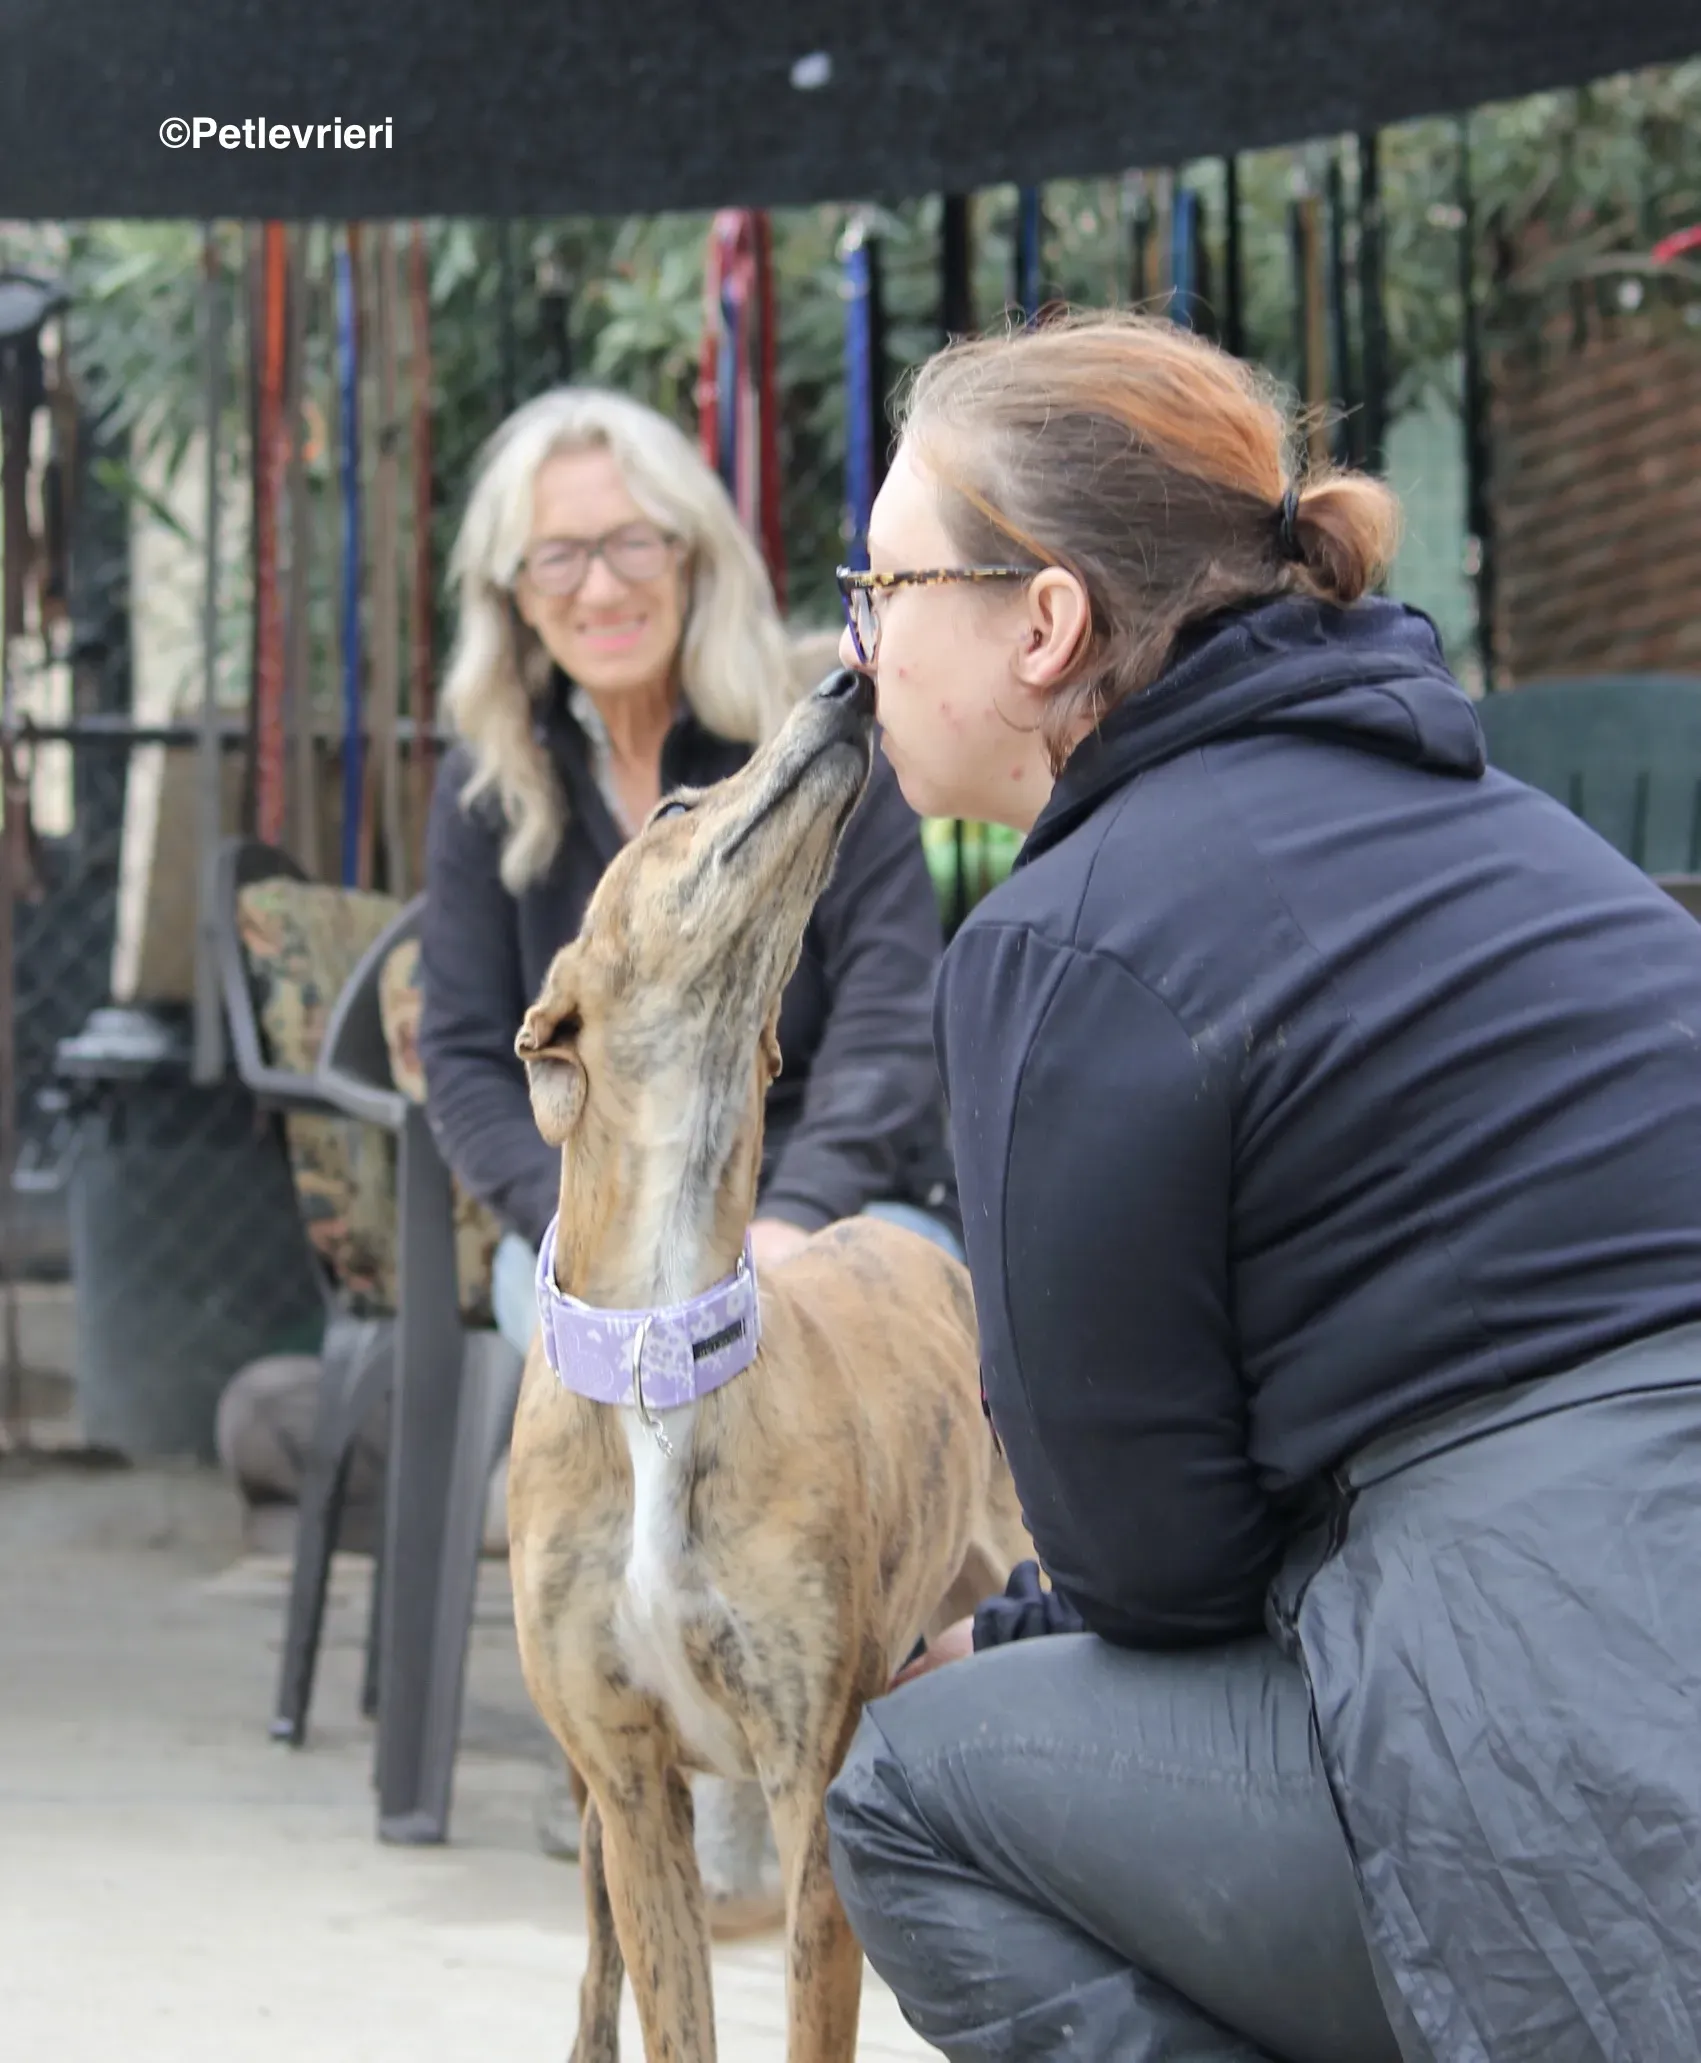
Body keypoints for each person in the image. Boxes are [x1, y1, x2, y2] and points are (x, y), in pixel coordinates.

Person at [821, 309, 1701, 2062]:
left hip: (1581, 1753)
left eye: (885, 586)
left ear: (1045, 622)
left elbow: (1158, 1571)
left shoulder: (1068, 942)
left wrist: (1009, 1641)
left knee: (911, 1790)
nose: (857, 652)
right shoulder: (1512, 837)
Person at [417, 385, 959, 1916]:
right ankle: (633, 1729)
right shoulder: (492, 781)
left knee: (868, 1334)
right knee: (575, 1331)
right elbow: (465, 1051)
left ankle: (832, 1732)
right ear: (512, 599)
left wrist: (784, 1221)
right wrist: (564, 1220)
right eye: (553, 561)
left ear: (696, 547)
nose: (596, 584)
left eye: (627, 541)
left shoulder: (810, 731)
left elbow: (896, 1012)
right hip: (599, 1222)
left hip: (830, 1211)